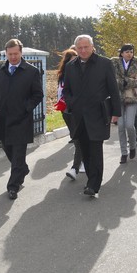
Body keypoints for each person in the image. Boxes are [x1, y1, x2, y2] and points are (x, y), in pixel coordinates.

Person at [63, 34, 122, 197]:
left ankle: (93, 185)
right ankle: (91, 178)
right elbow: (66, 89)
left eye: (86, 47)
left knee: (95, 148)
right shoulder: (70, 66)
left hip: (98, 113)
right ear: (76, 49)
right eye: (80, 48)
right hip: (79, 115)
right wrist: (71, 102)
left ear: (92, 47)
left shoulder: (104, 64)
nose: (83, 50)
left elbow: (113, 89)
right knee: (85, 148)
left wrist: (116, 112)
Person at [0, 38, 44, 200]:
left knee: (18, 154)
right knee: (8, 149)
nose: (13, 57)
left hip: (21, 120)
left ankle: (13, 186)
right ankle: (22, 169)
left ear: (21, 53)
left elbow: (38, 94)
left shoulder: (31, 71)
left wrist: (26, 108)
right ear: (6, 53)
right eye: (10, 54)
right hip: (3, 119)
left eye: (16, 54)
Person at [111, 44, 137, 163]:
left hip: (132, 98)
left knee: (129, 125)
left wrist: (125, 81)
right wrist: (121, 82)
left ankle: (133, 146)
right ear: (122, 53)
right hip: (118, 98)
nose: (129, 54)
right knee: (120, 126)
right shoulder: (114, 63)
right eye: (127, 52)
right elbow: (113, 80)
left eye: (131, 51)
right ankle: (124, 153)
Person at [55, 48, 83, 180]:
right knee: (75, 137)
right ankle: (83, 161)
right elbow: (59, 92)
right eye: (71, 61)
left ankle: (75, 168)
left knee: (78, 139)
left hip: (77, 110)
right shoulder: (61, 75)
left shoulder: (81, 73)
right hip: (65, 110)